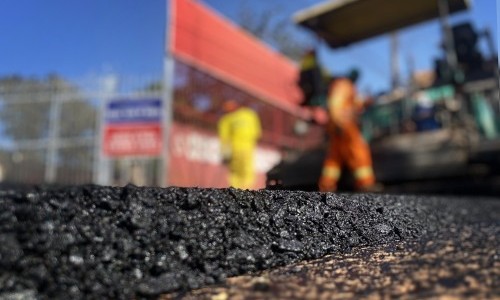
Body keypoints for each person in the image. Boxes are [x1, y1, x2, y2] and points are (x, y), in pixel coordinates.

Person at [318, 69, 377, 192]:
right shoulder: (344, 84)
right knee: (358, 150)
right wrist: (338, 122)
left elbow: (352, 104)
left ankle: (327, 185)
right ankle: (366, 183)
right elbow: (335, 103)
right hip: (345, 124)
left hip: (338, 125)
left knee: (335, 156)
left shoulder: (345, 86)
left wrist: (364, 102)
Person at [217, 100, 262, 189]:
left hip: (246, 148)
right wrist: (225, 152)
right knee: (237, 172)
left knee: (246, 171)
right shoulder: (226, 120)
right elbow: (224, 138)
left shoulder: (249, 114)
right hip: (235, 150)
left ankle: (247, 190)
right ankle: (237, 191)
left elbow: (257, 132)